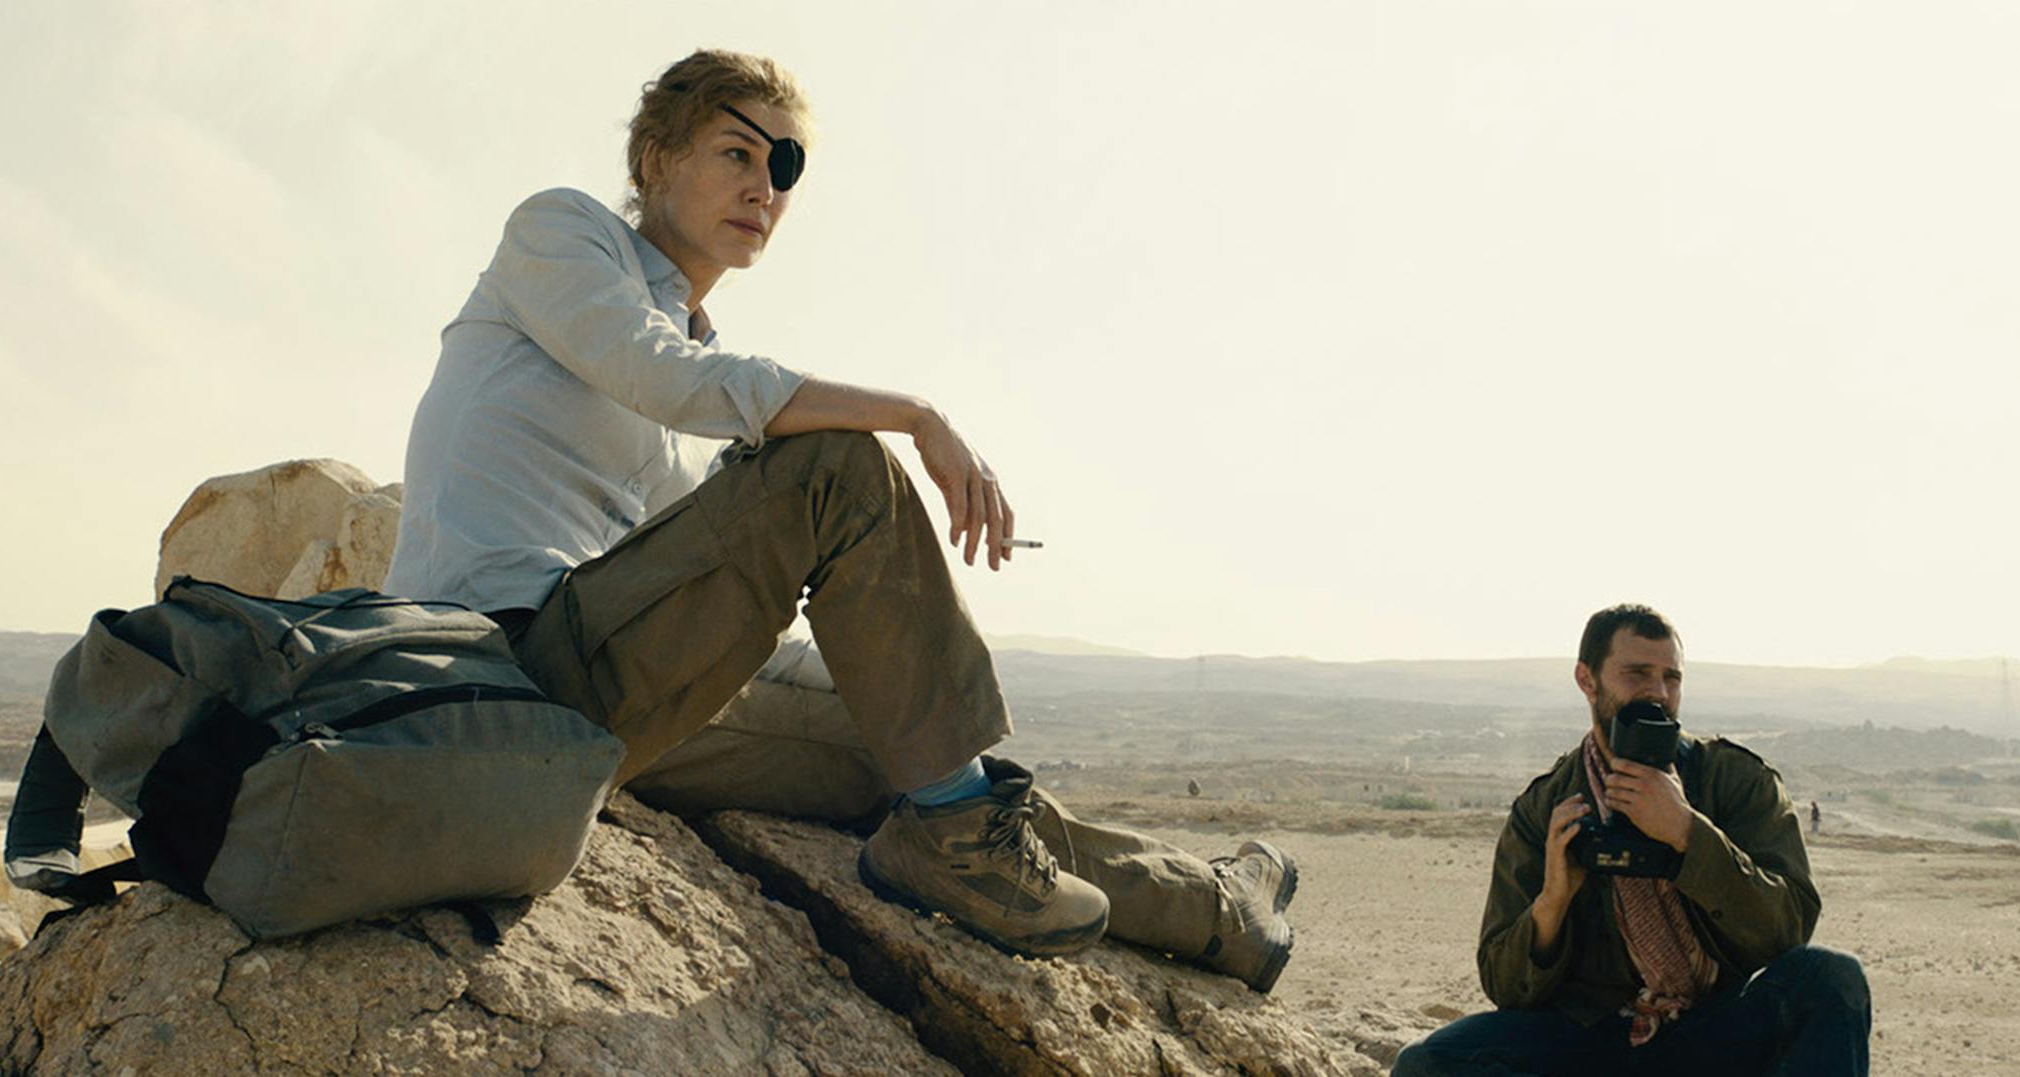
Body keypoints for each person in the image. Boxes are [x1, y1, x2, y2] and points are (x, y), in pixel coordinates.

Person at [382, 49, 1295, 990]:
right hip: (503, 662)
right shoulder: (561, 236)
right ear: (655, 156)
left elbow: (697, 563)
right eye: (737, 154)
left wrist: (898, 676)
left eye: (784, 167)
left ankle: (1218, 911)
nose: (763, 187)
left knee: (919, 752)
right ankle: (978, 837)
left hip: (614, 704)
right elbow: (663, 374)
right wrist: (913, 414)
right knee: (838, 463)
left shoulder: (711, 379)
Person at [1392, 605, 1871, 1076]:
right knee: (1428, 1063)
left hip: (1710, 1029)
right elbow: (1506, 988)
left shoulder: (1734, 781)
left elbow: (1787, 932)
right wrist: (1552, 904)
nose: (1658, 693)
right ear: (1587, 679)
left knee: (1832, 977)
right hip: (1587, 1036)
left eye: (1672, 678)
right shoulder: (1546, 808)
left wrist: (1688, 834)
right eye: (1638, 673)